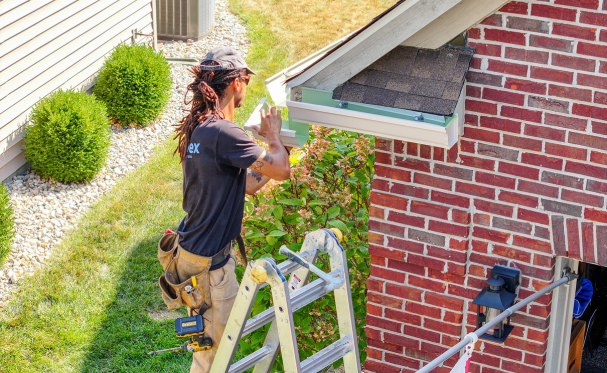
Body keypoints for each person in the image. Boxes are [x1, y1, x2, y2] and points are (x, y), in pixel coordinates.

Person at [171, 46, 291, 373]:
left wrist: (281, 151)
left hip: (195, 253)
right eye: (247, 80)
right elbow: (281, 171)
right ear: (237, 82)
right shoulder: (224, 132)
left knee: (208, 343)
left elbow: (249, 184)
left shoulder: (203, 128)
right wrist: (275, 140)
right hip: (209, 265)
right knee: (212, 357)